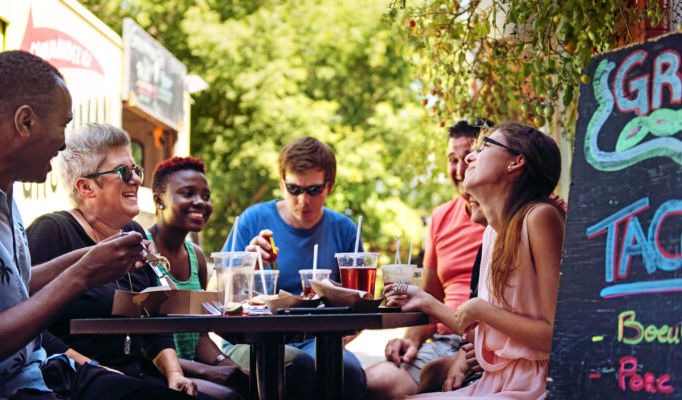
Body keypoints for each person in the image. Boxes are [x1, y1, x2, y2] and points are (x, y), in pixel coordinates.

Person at [0, 50, 190, 399]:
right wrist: (81, 274)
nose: (65, 143)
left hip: (40, 373)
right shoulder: (48, 225)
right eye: (63, 124)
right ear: (25, 123)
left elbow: (15, 287)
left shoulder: (6, 200)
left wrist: (92, 258)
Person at [386, 121, 566, 399]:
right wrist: (423, 299)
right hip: (496, 381)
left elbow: (557, 334)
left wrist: (481, 309)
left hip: (534, 382)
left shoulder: (540, 217)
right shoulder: (493, 233)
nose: (470, 157)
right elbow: (482, 324)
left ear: (516, 162)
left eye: (483, 148)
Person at [26, 123, 205, 398]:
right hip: (76, 381)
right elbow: (35, 330)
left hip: (134, 377)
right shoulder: (53, 231)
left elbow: (153, 321)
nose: (135, 179)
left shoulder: (134, 233)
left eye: (136, 170)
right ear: (86, 187)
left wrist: (174, 373)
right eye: (124, 171)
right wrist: (96, 370)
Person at [220, 136, 366, 400]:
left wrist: (333, 343)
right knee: (294, 365)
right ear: (281, 183)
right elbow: (218, 295)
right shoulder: (253, 219)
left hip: (316, 340)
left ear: (329, 186)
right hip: (252, 339)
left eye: (313, 190)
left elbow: (360, 304)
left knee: (348, 370)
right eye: (294, 189)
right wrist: (246, 266)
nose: (302, 200)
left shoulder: (345, 230)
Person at [367, 119, 492, 399]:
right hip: (443, 338)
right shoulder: (440, 217)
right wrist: (411, 339)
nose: (459, 170)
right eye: (452, 159)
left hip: (485, 344)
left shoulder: (506, 217)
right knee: (372, 383)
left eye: (468, 159)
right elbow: (431, 293)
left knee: (436, 375)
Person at [147, 156, 248, 399]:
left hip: (191, 369)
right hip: (158, 372)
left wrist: (227, 364)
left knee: (256, 381)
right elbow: (139, 343)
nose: (200, 202)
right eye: (188, 193)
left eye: (205, 196)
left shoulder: (197, 257)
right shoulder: (141, 250)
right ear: (159, 200)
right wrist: (209, 372)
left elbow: (200, 335)